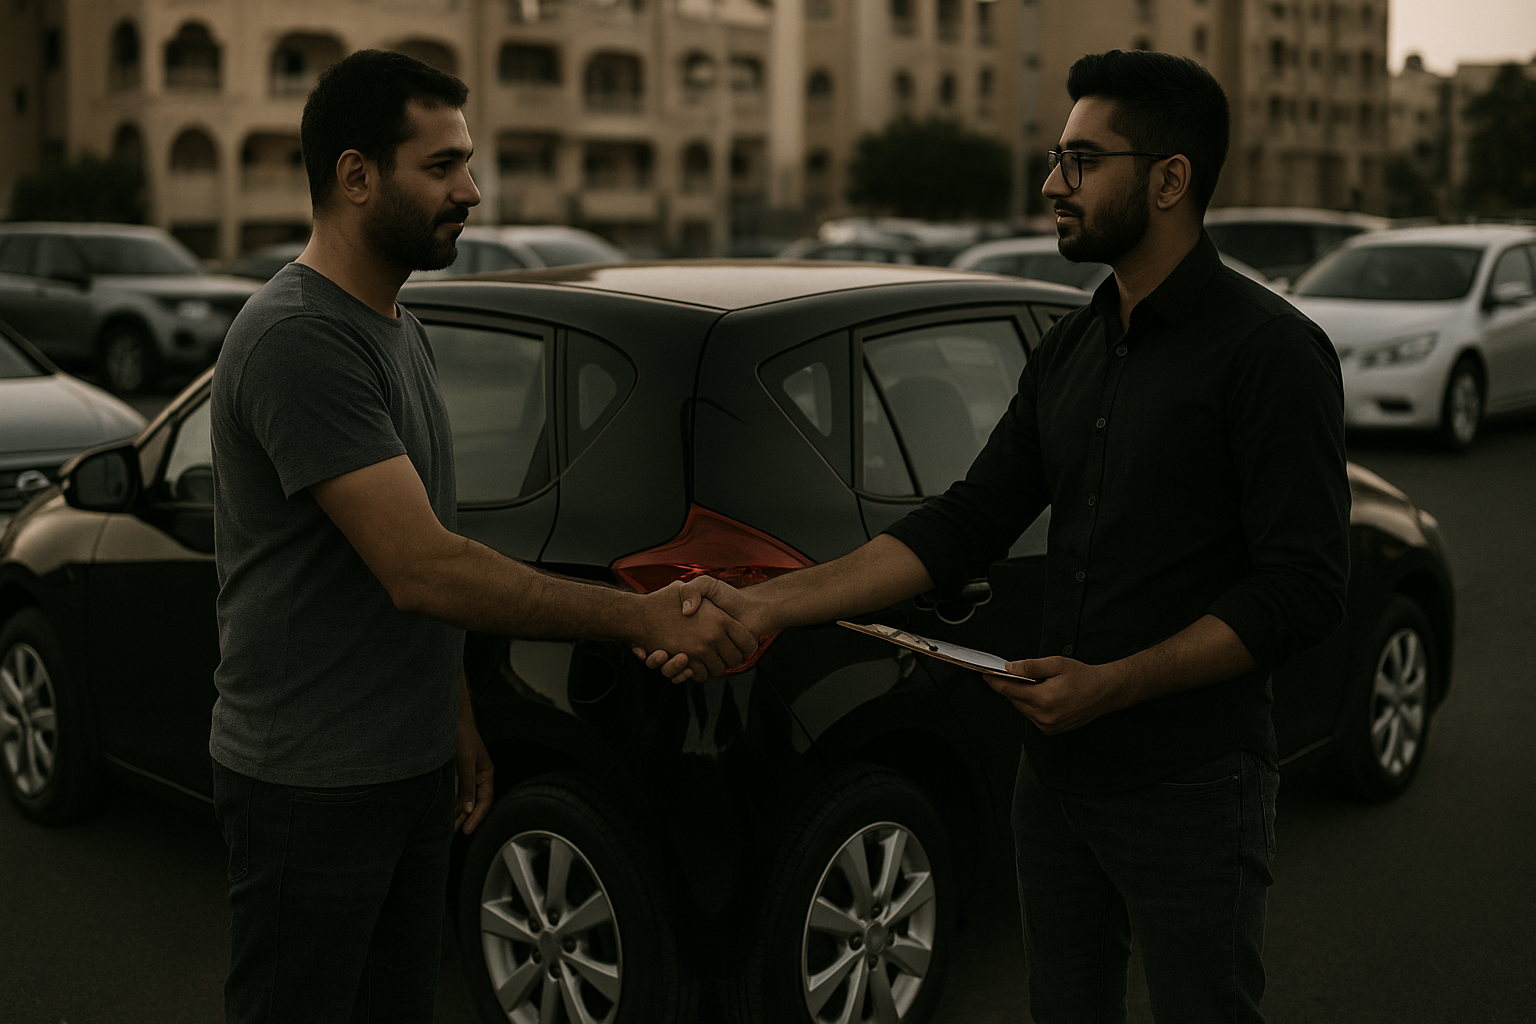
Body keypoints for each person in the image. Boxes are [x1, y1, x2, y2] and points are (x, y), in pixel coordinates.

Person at [640, 49, 1350, 1023]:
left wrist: (1115, 683)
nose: (1051, 183)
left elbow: (1301, 588)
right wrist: (763, 603)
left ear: (1171, 179)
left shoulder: (1272, 353)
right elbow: (963, 524)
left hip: (1192, 782)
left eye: (1081, 160)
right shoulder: (1072, 346)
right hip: (1053, 779)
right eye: (1057, 156)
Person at [208, 50, 755, 1024]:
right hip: (309, 785)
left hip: (408, 766)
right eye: (442, 165)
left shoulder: (394, 324)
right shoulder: (298, 337)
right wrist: (640, 617)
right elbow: (422, 569)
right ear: (355, 175)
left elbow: (424, 544)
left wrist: (452, 719)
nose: (472, 189)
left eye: (468, 161)